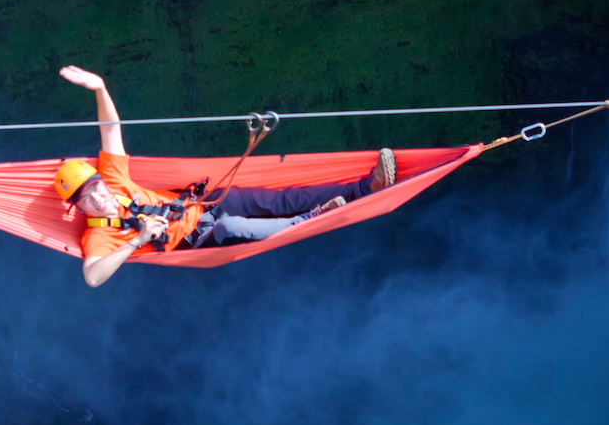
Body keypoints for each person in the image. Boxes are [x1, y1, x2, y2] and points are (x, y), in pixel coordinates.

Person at [55, 66, 396, 287]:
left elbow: (111, 130)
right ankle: (312, 219)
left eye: (96, 186)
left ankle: (367, 187)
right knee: (232, 228)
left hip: (205, 203)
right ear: (79, 208)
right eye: (87, 197)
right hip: (202, 239)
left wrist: (99, 88)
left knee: (281, 199)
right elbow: (93, 276)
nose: (99, 196)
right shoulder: (97, 239)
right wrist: (137, 239)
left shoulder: (113, 180)